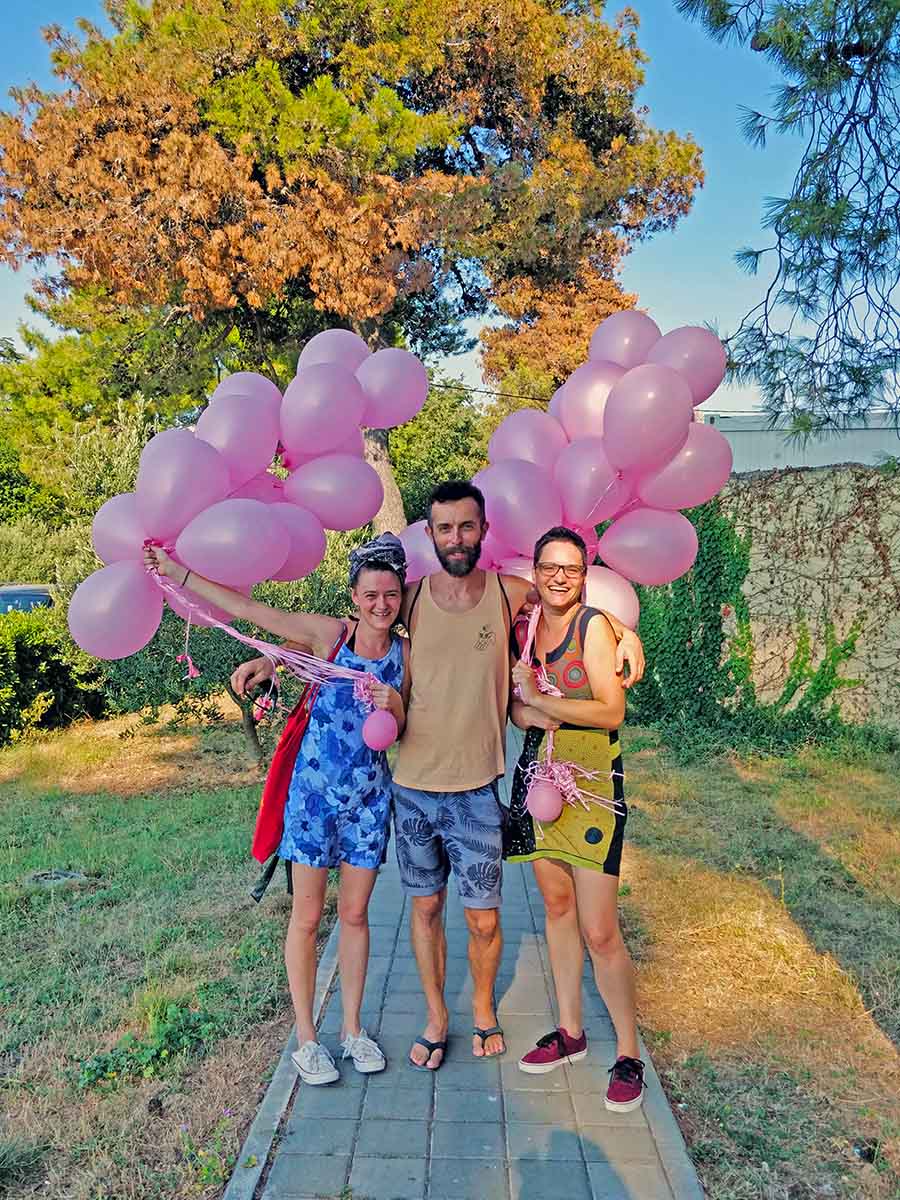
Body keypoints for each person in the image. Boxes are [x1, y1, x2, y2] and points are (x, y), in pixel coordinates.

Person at [233, 481, 645, 1072]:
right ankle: (435, 1018)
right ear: (430, 535)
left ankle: (483, 1011)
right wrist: (272, 657)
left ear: (483, 531)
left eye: (467, 526)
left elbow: (567, 601)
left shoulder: (509, 593)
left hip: (478, 791)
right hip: (414, 793)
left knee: (484, 919)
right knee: (424, 912)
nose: (457, 537)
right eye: (445, 528)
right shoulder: (409, 599)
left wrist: (622, 630)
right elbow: (347, 626)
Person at [144, 534, 409, 1087]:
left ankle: (353, 1030)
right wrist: (176, 572)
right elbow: (252, 612)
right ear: (354, 596)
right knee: (307, 918)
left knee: (356, 916)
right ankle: (307, 1040)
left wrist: (398, 705)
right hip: (313, 801)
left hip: (368, 802)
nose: (381, 604)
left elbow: (405, 728)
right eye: (370, 594)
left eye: (391, 594)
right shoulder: (330, 635)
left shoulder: (405, 655)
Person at [505, 526, 644, 1112]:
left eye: (571, 568)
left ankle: (629, 1052)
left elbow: (612, 710)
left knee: (600, 930)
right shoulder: (527, 626)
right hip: (541, 780)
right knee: (557, 908)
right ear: (534, 572)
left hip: (592, 789)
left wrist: (541, 703)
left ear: (585, 575)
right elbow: (515, 709)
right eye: (549, 567)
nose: (558, 577)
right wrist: (526, 711)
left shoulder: (592, 628)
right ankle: (570, 1032)